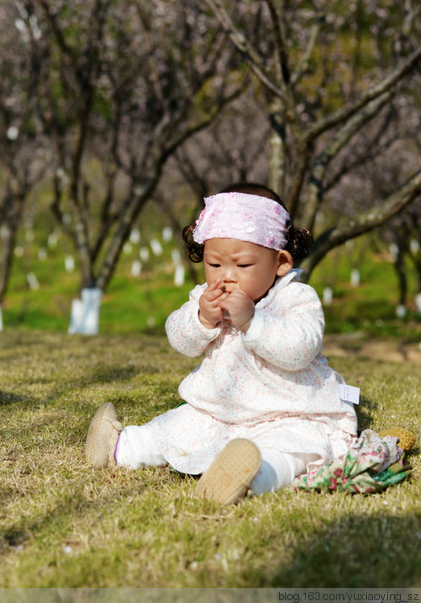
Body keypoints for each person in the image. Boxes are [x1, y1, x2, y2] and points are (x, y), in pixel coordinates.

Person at [85, 182, 358, 505]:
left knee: (294, 448)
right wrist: (201, 318)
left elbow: (301, 349)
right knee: (176, 427)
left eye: (242, 266)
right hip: (219, 411)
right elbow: (179, 338)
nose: (225, 276)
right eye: (215, 265)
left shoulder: (296, 298)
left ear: (280, 262)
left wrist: (253, 322)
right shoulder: (205, 298)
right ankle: (122, 446)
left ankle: (251, 477)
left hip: (289, 411)